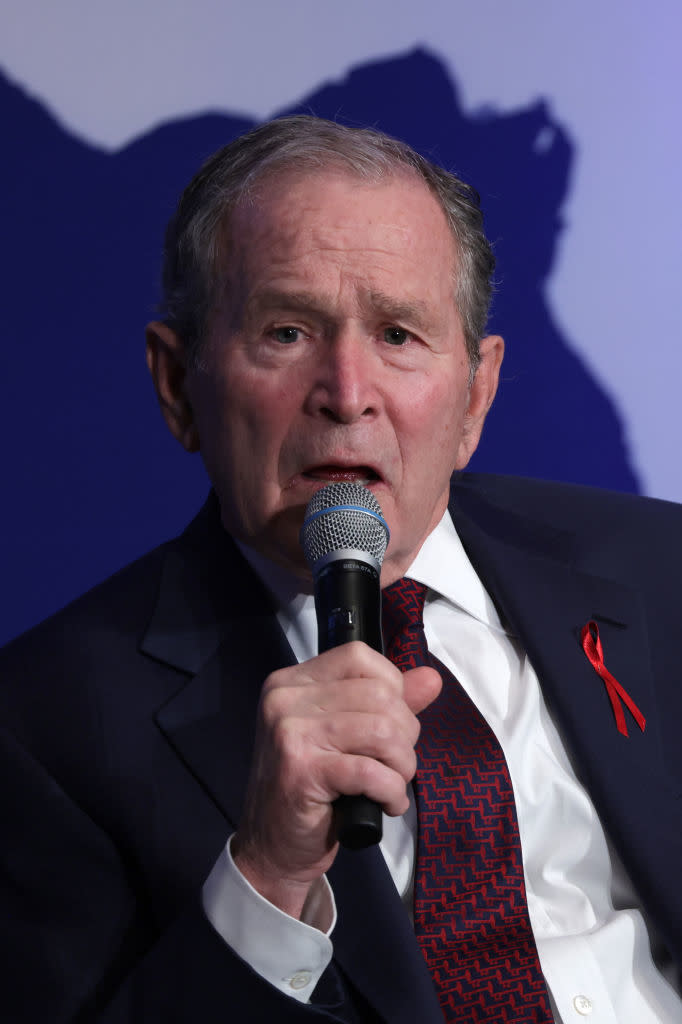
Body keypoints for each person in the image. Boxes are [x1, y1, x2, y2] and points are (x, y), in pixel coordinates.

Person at [1, 115, 681, 1023]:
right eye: (287, 331)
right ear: (178, 385)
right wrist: (269, 875)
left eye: (399, 334)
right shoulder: (44, 723)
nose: (348, 392)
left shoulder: (659, 568)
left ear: (475, 395)